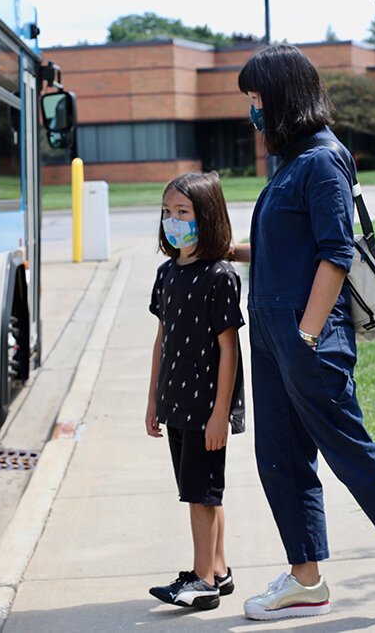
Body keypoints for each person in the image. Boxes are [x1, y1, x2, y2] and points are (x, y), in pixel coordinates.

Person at [230, 44, 375, 623]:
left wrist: (306, 337)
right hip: (274, 335)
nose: (251, 111)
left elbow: (335, 254)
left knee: (347, 449)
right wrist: (225, 250)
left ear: (281, 97)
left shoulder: (323, 159)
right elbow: (291, 250)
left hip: (310, 337)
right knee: (279, 456)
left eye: (256, 99)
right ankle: (305, 578)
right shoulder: (291, 162)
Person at [145, 172, 246, 611]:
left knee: (199, 494)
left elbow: (230, 348)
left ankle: (201, 580)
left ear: (206, 217)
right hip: (175, 404)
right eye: (168, 212)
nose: (173, 220)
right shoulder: (167, 273)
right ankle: (219, 570)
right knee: (204, 490)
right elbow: (161, 340)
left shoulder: (219, 276)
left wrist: (221, 413)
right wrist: (153, 400)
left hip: (206, 408)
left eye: (182, 213)